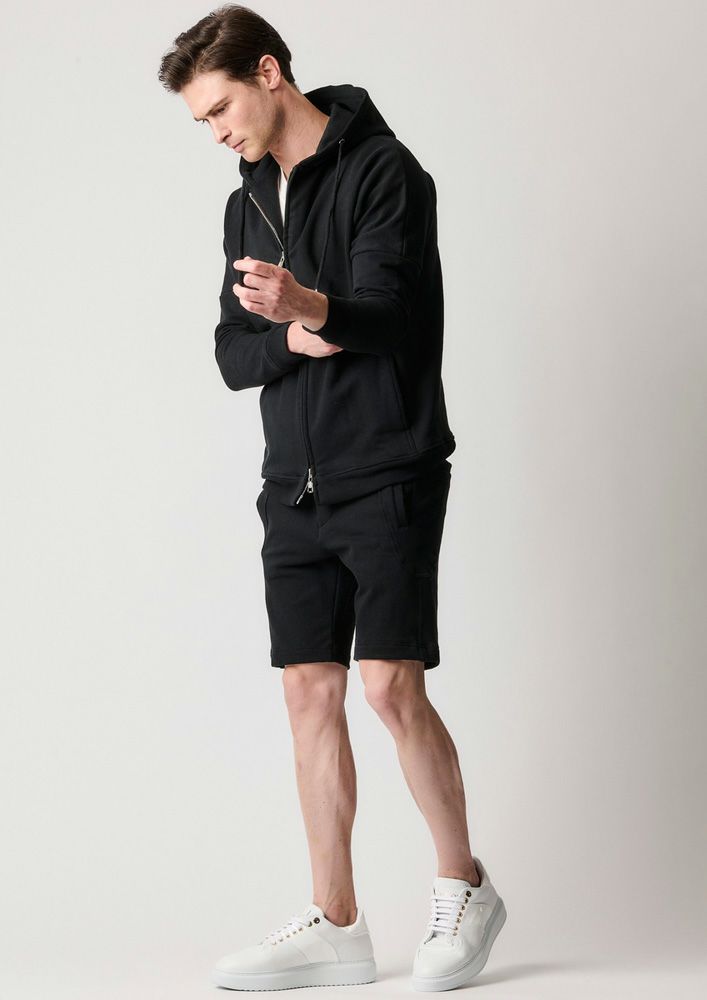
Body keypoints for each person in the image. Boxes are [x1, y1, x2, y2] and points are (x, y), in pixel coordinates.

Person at [158, 4, 506, 992]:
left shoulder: (384, 171)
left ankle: (464, 886)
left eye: (219, 108)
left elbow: (393, 316)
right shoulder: (245, 203)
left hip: (388, 466)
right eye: (200, 120)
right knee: (307, 692)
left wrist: (309, 307)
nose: (214, 132)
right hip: (292, 484)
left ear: (269, 73)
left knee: (389, 685)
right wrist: (291, 335)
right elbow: (231, 355)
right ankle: (336, 922)